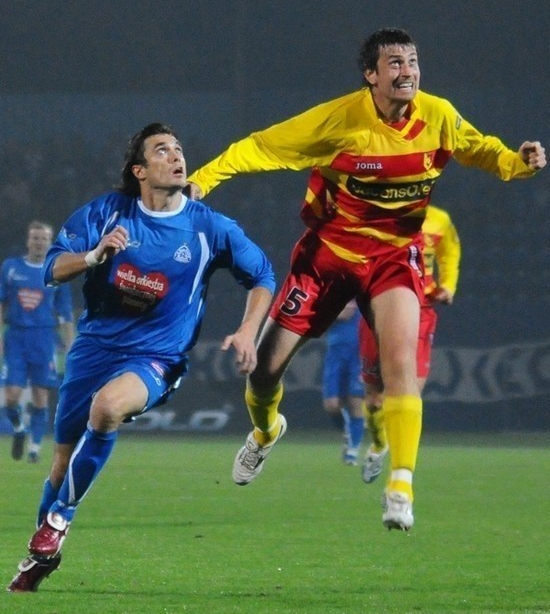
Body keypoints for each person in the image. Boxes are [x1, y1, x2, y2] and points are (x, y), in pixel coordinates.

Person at [187, 27, 546, 532]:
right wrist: (205, 177)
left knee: (400, 368)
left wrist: (518, 164)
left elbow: (480, 150)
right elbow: (260, 146)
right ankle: (266, 433)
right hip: (328, 257)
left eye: (413, 61)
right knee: (264, 373)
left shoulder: (438, 115)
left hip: (394, 258)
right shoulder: (340, 119)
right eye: (395, 63)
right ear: (371, 75)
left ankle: (400, 487)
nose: (408, 71)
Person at [7, 123, 275, 592]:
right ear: (139, 170)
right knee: (61, 462)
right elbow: (51, 269)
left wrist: (249, 330)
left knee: (107, 408)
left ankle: (59, 521)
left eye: (178, 148)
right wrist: (93, 256)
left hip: (157, 356)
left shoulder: (208, 225)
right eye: (162, 150)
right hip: (93, 348)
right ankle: (39, 555)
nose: (176, 156)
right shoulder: (107, 213)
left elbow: (263, 276)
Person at [360, 203, 461, 484]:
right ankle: (379, 444)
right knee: (374, 397)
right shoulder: (377, 214)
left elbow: (450, 251)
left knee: (409, 391)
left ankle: (400, 478)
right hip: (377, 307)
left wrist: (448, 285)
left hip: (422, 308)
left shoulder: (440, 220)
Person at [0, 221, 74, 463]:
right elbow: (2, 305)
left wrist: (70, 344)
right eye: (35, 238)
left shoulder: (57, 271)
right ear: (28, 241)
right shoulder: (11, 268)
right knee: (11, 396)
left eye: (44, 238)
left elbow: (65, 313)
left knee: (40, 395)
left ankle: (34, 448)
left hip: (43, 339)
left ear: (50, 242)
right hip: (16, 337)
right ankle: (20, 428)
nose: (39, 242)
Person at [321, 299, 365, 465]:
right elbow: (316, 322)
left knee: (355, 402)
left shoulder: (365, 292)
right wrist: (334, 314)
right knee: (331, 405)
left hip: (358, 354)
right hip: (335, 354)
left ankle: (352, 451)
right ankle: (348, 432)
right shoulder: (331, 292)